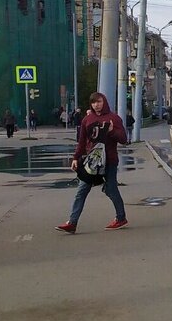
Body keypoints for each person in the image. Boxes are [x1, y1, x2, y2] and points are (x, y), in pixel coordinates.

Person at [55, 92, 128, 233]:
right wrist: (76, 158)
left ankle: (121, 218)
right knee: (81, 191)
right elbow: (82, 141)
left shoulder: (114, 118)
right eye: (94, 103)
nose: (96, 105)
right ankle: (72, 223)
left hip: (109, 161)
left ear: (104, 102)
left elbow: (123, 139)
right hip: (92, 163)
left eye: (99, 102)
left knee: (112, 189)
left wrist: (112, 131)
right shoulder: (87, 120)